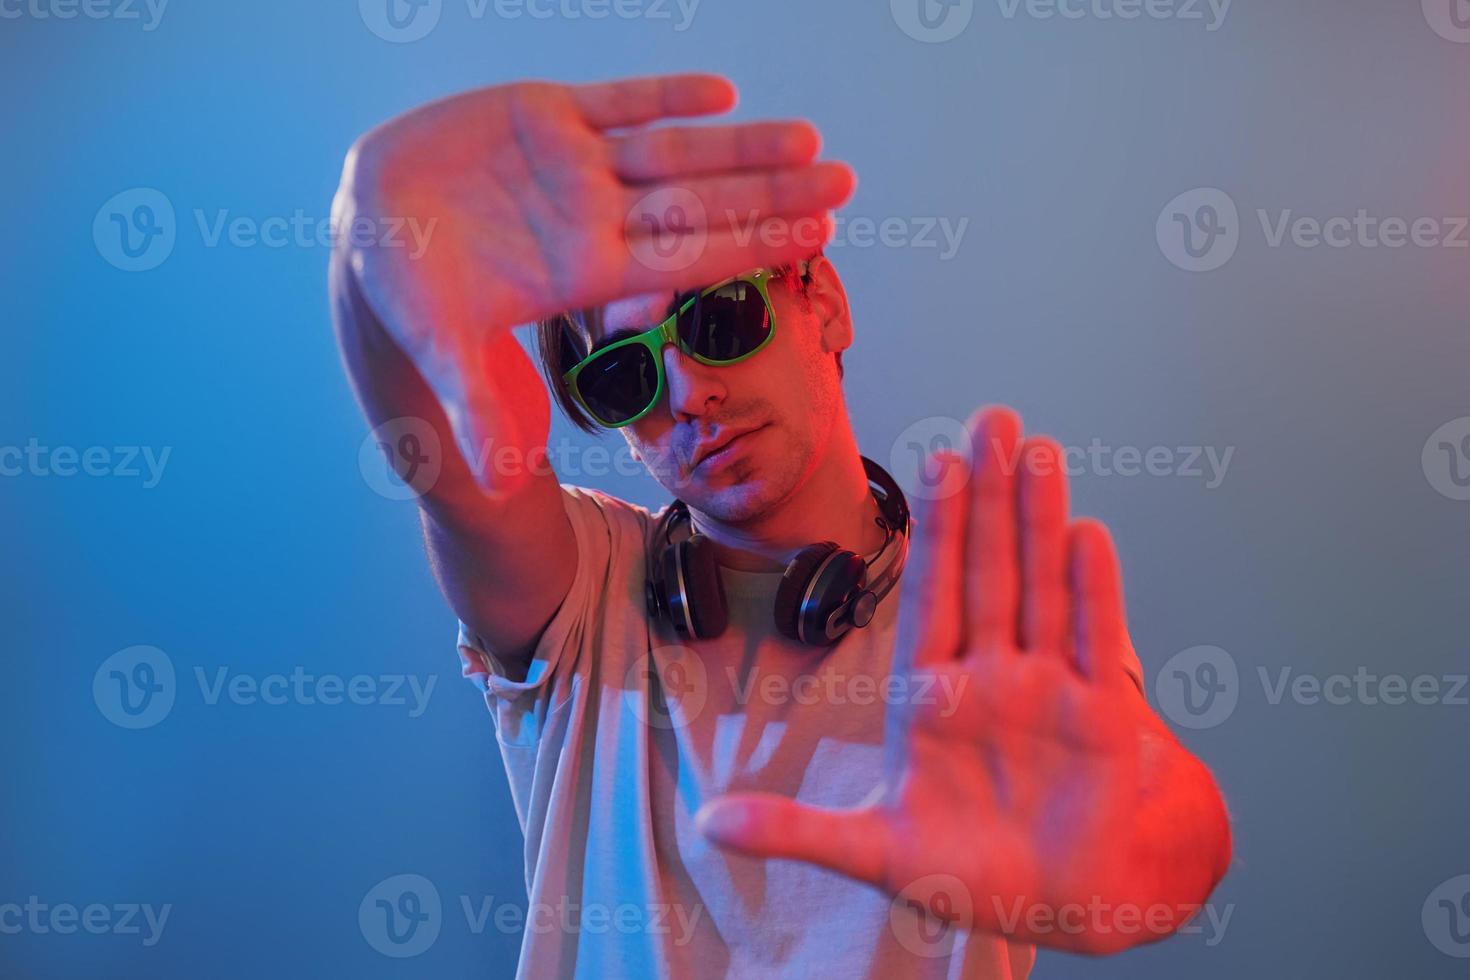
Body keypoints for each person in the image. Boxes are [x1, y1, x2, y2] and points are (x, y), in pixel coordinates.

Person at [328, 71, 1232, 979]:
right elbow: (456, 469)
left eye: (719, 319)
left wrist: (1128, 863)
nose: (690, 394)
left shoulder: (982, 630)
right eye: (625, 377)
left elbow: (1159, 819)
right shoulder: (582, 591)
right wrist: (371, 245)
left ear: (823, 304)